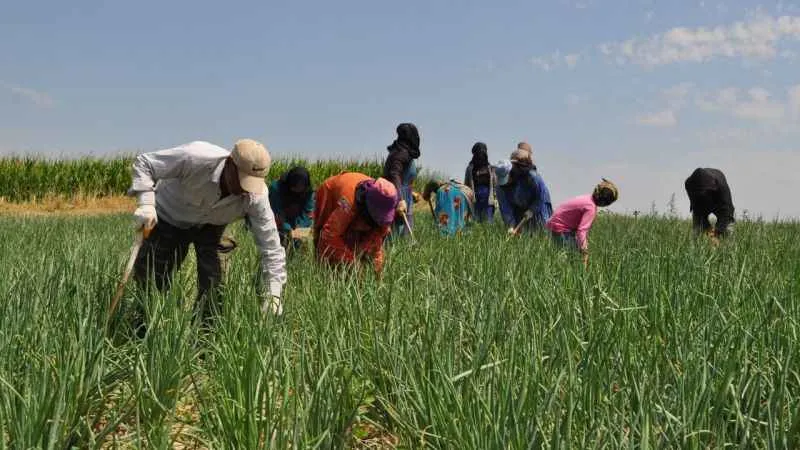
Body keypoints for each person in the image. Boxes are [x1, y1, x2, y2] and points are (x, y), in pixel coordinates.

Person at [129, 139, 287, 322]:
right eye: (241, 181)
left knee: (213, 283)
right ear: (229, 163)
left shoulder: (256, 196)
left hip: (213, 225)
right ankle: (147, 323)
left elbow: (271, 248)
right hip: (170, 217)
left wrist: (273, 295)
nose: (245, 191)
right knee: (151, 276)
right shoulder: (196, 157)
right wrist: (146, 203)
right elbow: (145, 163)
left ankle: (205, 328)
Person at [313, 172, 398, 276]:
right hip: (329, 193)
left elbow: (377, 245)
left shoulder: (385, 202)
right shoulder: (348, 203)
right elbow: (329, 236)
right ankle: (323, 273)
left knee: (360, 244)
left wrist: (378, 273)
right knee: (323, 239)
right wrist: (353, 263)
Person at [546, 179, 619, 268]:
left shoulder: (587, 199)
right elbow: (582, 230)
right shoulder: (591, 208)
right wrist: (584, 250)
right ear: (605, 202)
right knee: (572, 259)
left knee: (563, 255)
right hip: (561, 230)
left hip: (552, 226)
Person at [494, 144, 553, 235]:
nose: (506, 182)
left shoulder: (532, 177)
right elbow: (505, 208)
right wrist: (510, 225)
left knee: (542, 233)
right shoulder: (500, 187)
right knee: (522, 234)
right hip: (518, 209)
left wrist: (532, 210)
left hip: (539, 207)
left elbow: (541, 196)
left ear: (511, 171)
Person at [383, 123, 421, 236]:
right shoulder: (401, 153)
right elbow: (394, 174)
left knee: (403, 232)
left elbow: (403, 176)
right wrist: (399, 199)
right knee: (396, 232)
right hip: (398, 197)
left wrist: (411, 192)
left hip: (405, 195)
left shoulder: (403, 151)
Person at [268, 166, 314, 249]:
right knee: (280, 241)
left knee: (298, 242)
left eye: (301, 189)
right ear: (290, 183)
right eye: (295, 188)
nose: (298, 191)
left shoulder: (308, 191)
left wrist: (300, 227)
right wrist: (288, 229)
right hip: (277, 221)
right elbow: (277, 211)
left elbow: (307, 212)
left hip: (295, 221)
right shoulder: (276, 188)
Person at [684, 168, 735, 241]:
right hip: (701, 205)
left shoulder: (721, 186)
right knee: (697, 230)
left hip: (719, 204)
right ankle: (694, 249)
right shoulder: (689, 185)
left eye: (706, 192)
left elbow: (727, 212)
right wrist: (708, 228)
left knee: (728, 230)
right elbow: (696, 207)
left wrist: (717, 232)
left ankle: (730, 249)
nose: (705, 194)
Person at [464, 142, 496, 222]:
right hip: (475, 198)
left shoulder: (490, 168)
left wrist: (495, 197)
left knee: (488, 222)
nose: (481, 154)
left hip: (488, 199)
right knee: (476, 221)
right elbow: (466, 185)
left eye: (483, 152)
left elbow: (495, 184)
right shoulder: (470, 168)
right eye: (479, 152)